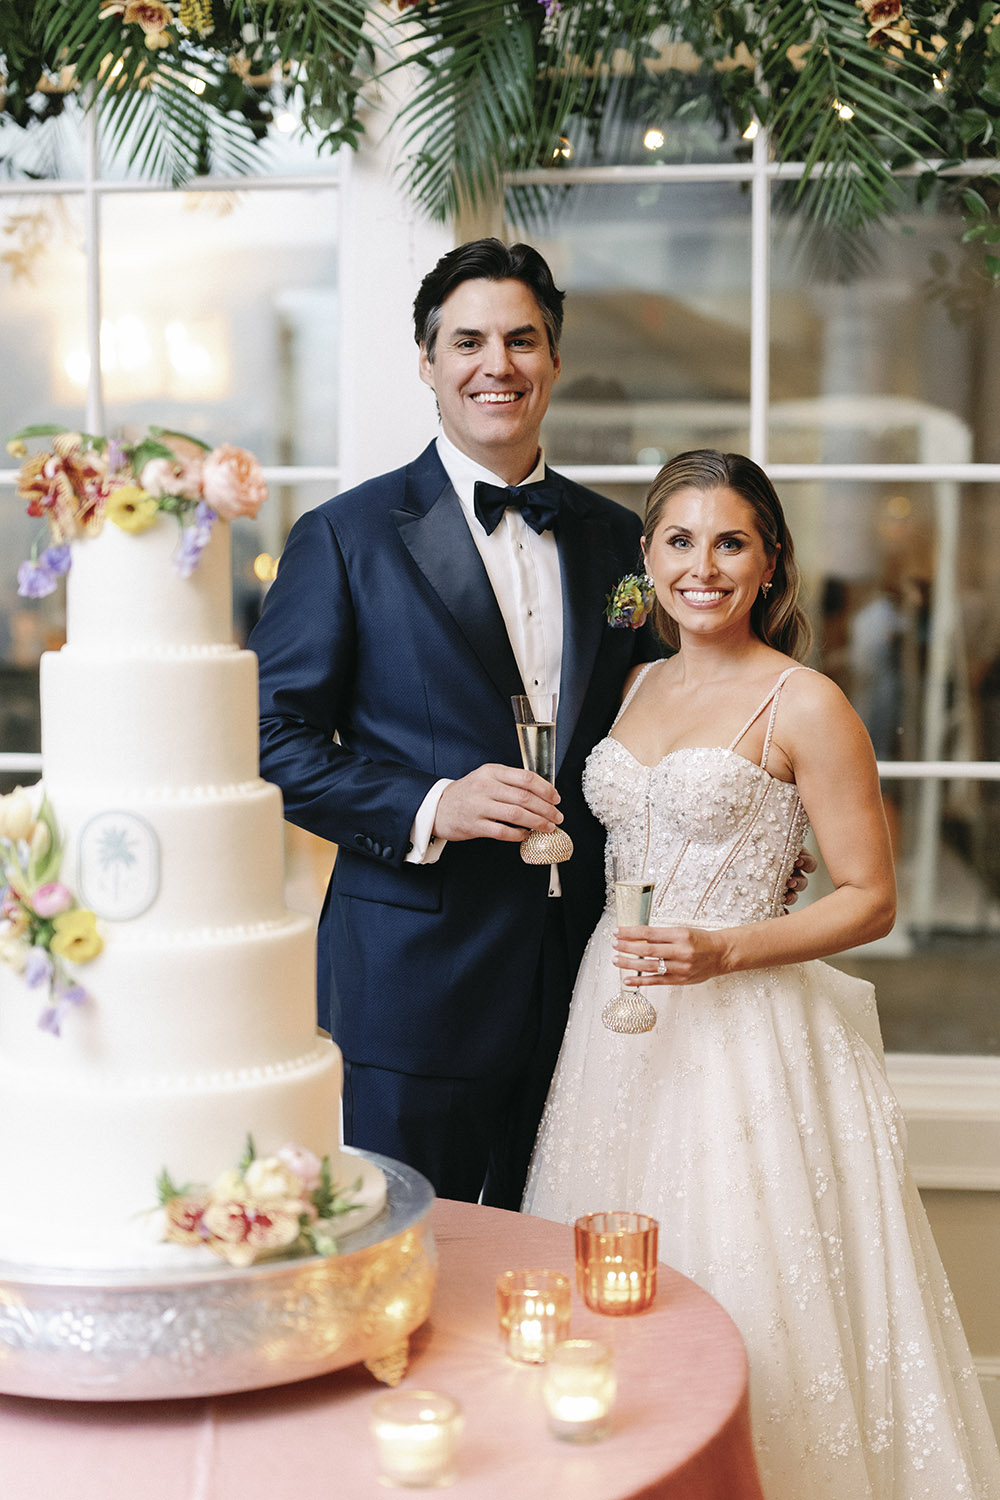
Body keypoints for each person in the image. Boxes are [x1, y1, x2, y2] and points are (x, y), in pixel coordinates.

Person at [522, 450, 1000, 1499]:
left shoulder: (806, 701)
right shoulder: (634, 682)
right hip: (615, 1015)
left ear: (770, 563)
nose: (703, 566)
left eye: (730, 541)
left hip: (744, 1030)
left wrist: (725, 948)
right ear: (645, 559)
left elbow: (869, 898)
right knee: (612, 1286)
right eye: (679, 541)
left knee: (745, 1283)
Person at [248, 238, 663, 1209]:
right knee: (407, 1252)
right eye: (468, 340)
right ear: (428, 362)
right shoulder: (343, 538)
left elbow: (659, 707)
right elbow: (269, 739)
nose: (497, 365)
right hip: (411, 982)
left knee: (555, 1257)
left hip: (589, 978)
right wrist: (434, 802)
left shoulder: (618, 543)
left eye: (522, 340)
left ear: (553, 361)